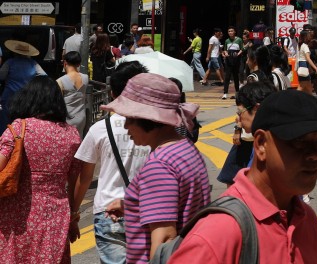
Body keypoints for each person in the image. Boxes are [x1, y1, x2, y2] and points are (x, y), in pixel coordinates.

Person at [167, 90, 317, 264]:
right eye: (299, 141)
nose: (315, 155)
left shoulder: (305, 218)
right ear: (261, 144)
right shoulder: (218, 233)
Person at [102, 73, 209, 263]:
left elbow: (164, 239)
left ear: (148, 118)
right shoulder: (186, 148)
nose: (126, 126)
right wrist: (133, 206)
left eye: (130, 119)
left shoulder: (159, 165)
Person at [71, 62, 151, 264]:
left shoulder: (100, 128)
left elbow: (85, 177)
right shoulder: (157, 129)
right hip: (147, 210)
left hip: (107, 211)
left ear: (112, 93)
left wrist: (73, 213)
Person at [0, 77, 82, 264]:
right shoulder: (72, 134)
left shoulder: (19, 129)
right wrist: (73, 218)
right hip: (55, 213)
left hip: (17, 212)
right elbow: (74, 180)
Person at [218, 81, 276, 186]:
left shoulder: (266, 148)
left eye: (240, 112)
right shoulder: (272, 139)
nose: (238, 119)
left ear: (257, 108)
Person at [0, 39, 46, 130]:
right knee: (24, 121)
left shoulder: (9, 62)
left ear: (15, 52)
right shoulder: (33, 63)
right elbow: (44, 76)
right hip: (27, 97)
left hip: (9, 97)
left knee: (6, 121)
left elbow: (1, 76)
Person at [57, 50, 90, 138]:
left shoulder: (60, 81)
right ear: (79, 64)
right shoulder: (85, 78)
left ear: (65, 63)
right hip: (82, 117)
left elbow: (58, 103)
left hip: (67, 119)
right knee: (79, 140)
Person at [296, 31, 317, 99]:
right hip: (304, 69)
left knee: (309, 88)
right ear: (305, 37)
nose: (310, 36)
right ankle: (293, 101)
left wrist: (311, 70)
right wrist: (316, 69)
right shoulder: (305, 46)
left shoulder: (301, 45)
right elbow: (308, 59)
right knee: (301, 87)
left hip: (302, 68)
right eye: (308, 35)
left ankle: (309, 102)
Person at [221, 26, 243, 100]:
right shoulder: (227, 41)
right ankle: (225, 93)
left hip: (236, 60)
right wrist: (226, 53)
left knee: (236, 76)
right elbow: (225, 49)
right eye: (229, 31)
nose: (230, 32)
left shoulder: (239, 40)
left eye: (231, 31)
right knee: (227, 77)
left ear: (235, 32)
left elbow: (242, 49)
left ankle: (237, 93)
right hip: (229, 60)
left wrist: (238, 54)